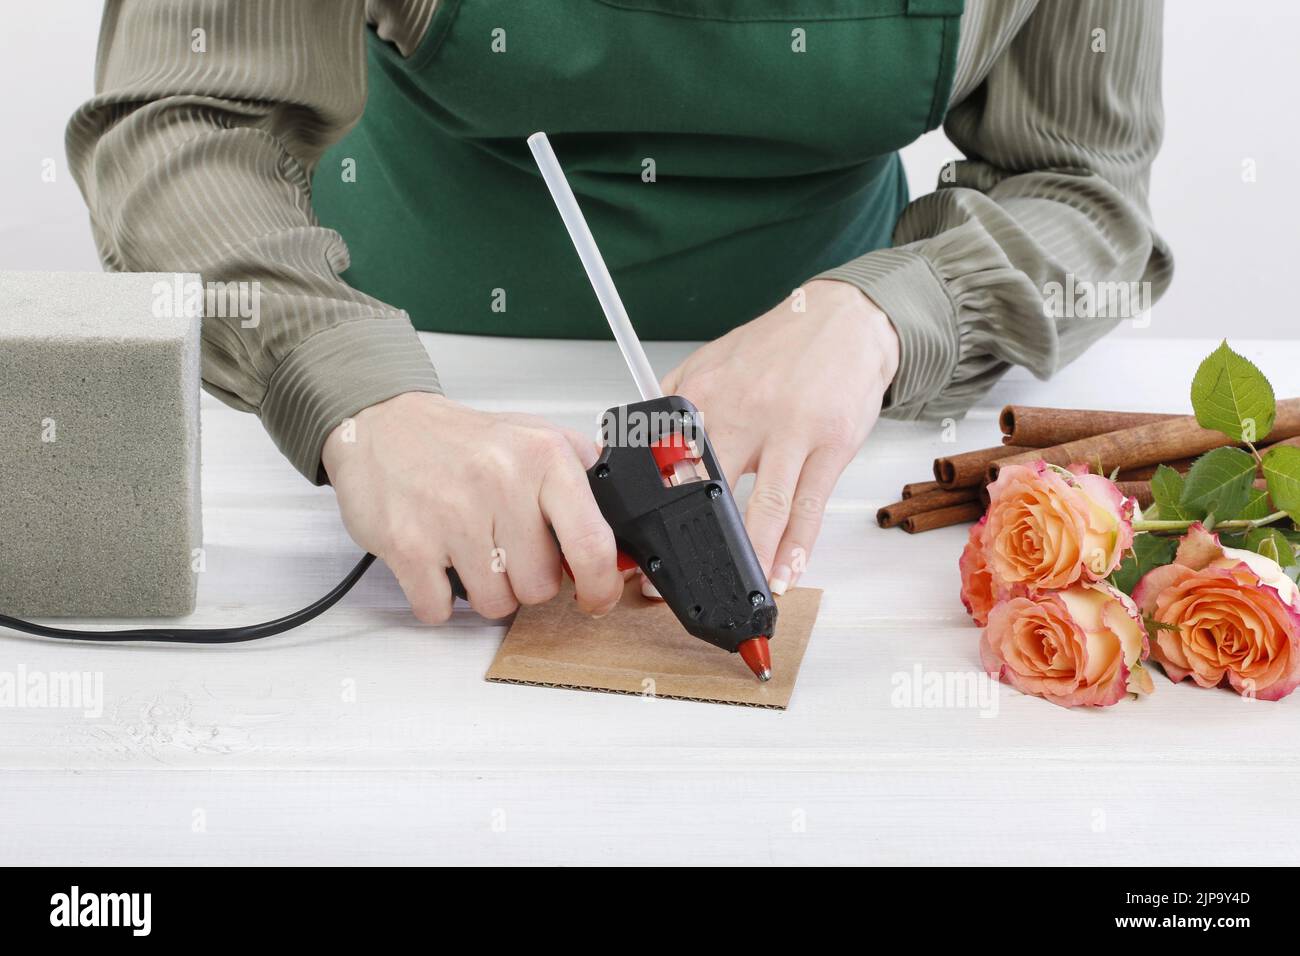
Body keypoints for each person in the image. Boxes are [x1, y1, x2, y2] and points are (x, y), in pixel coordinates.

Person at [67, 0, 1171, 625]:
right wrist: (351, 393)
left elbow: (1080, 183)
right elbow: (181, 121)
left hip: (857, 429)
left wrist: (882, 314)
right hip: (398, 407)